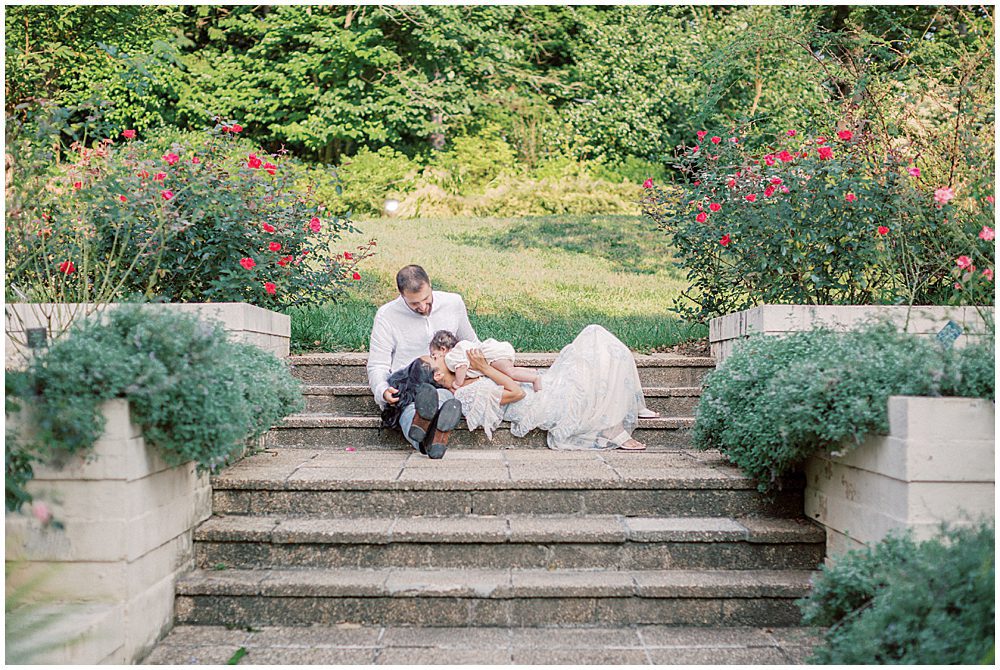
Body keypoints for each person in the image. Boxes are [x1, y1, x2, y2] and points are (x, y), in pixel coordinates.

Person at [423, 324, 659, 451]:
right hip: (542, 403)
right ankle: (612, 425)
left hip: (543, 387)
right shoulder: (465, 393)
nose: (441, 354)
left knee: (595, 335)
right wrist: (484, 368)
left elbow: (507, 373)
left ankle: (632, 406)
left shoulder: (467, 371)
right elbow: (516, 393)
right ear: (436, 373)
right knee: (595, 348)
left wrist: (486, 366)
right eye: (434, 357)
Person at [368, 264, 478, 458]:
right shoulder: (387, 315)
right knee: (412, 401)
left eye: (426, 299)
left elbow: (471, 343)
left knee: (444, 396)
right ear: (402, 295)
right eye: (414, 304)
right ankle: (432, 433)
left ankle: (429, 439)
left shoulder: (453, 303)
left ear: (430, 285)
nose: (423, 307)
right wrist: (382, 390)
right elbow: (378, 364)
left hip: (442, 380)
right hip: (408, 381)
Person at [429, 329, 542, 392]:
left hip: (492, 355)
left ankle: (534, 378)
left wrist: (458, 383)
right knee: (508, 371)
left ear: (443, 349)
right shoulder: (459, 350)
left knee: (510, 373)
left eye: (434, 355)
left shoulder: (451, 356)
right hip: (494, 352)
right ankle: (531, 372)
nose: (435, 358)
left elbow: (461, 366)